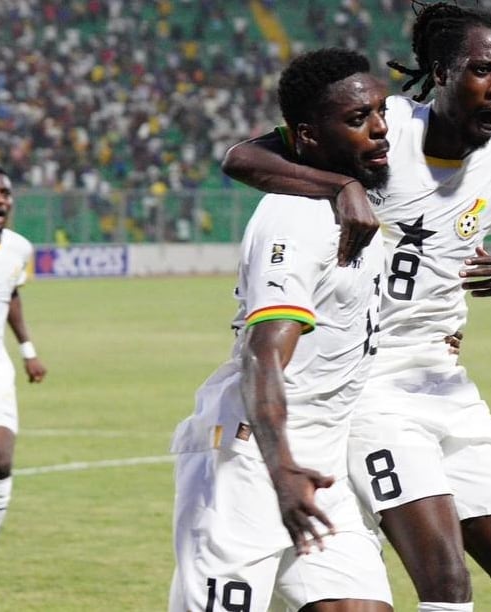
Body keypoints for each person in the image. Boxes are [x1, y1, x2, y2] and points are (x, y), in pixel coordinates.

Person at [222, 4, 491, 611]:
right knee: (444, 578)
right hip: (372, 382)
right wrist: (341, 186)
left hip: (446, 382)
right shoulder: (381, 130)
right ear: (440, 71)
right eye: (483, 71)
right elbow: (241, 157)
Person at [168, 49, 394, 611]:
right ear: (308, 138)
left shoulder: (365, 185)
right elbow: (263, 354)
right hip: (254, 458)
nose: (381, 128)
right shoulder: (294, 217)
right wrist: (281, 469)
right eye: (358, 118)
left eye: (381, 111)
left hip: (323, 459)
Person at [0, 164, 47, 538]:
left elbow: (10, 294)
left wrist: (27, 349)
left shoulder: (18, 247)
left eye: (6, 193)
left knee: (0, 458)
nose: (0, 200)